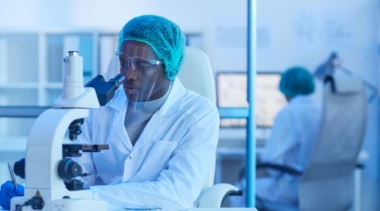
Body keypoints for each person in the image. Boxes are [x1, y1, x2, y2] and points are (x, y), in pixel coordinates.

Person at [0, 15, 220, 210]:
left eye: (142, 66)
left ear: (168, 67)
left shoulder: (198, 115)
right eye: (123, 62)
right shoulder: (101, 105)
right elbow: (79, 174)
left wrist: (88, 196)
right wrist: (37, 191)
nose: (128, 74)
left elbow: (176, 194)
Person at [229, 67, 322, 209]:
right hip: (321, 189)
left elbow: (271, 160)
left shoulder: (289, 113)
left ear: (286, 90)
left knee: (240, 191)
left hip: (294, 188)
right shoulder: (323, 111)